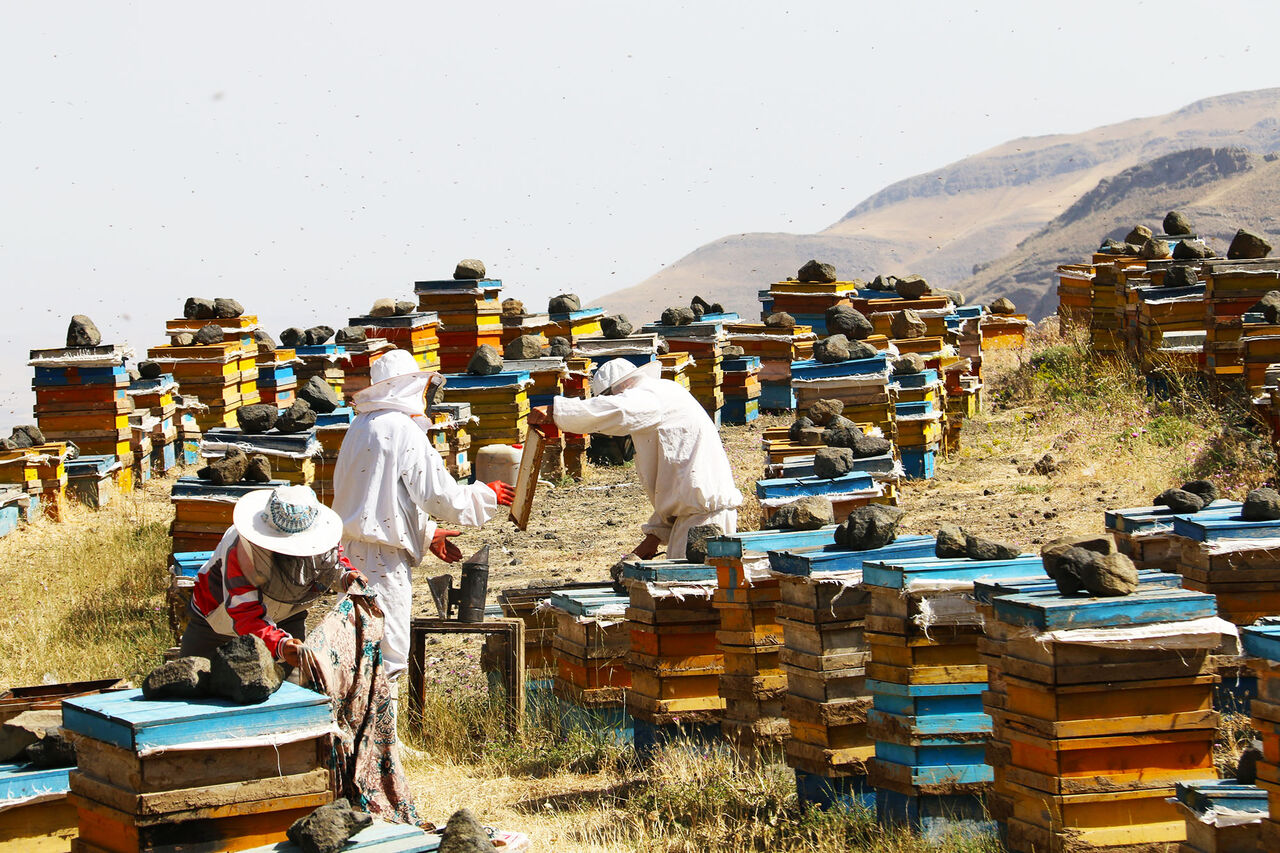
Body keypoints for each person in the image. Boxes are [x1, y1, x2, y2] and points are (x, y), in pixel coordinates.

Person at [332, 349, 514, 682]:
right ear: (409, 387)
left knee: (358, 649)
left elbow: (379, 496)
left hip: (350, 554)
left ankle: (358, 731)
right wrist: (487, 495)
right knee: (388, 654)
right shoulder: (402, 429)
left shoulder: (360, 425)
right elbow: (437, 495)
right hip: (382, 561)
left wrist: (428, 534)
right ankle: (385, 734)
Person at [529, 357, 742, 562]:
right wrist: (653, 538)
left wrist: (556, 411)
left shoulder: (649, 396)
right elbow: (675, 480)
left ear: (625, 386)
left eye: (611, 396)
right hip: (694, 519)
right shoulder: (661, 397)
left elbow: (618, 410)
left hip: (704, 524)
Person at [181, 484, 364, 668]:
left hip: (288, 617)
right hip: (217, 624)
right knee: (193, 684)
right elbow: (244, 612)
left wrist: (347, 576)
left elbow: (331, 562)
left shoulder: (321, 535)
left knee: (293, 691)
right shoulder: (241, 548)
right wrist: (279, 645)